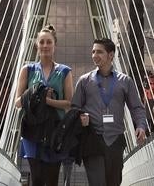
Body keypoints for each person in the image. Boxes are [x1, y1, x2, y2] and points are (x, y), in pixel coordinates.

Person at [71, 38, 147, 186]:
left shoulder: (125, 81)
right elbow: (75, 108)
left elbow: (137, 107)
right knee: (97, 182)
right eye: (93, 51)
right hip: (92, 139)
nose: (94, 55)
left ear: (111, 55)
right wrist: (80, 117)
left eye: (99, 52)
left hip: (115, 141)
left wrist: (141, 126)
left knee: (114, 182)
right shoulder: (84, 81)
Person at [15, 25, 74, 186]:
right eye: (42, 42)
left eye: (49, 42)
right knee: (37, 178)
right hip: (32, 130)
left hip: (56, 130)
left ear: (55, 45)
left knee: (52, 179)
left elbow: (69, 104)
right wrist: (35, 95)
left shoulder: (64, 72)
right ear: (36, 45)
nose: (45, 46)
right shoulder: (27, 70)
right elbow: (17, 102)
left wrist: (47, 101)